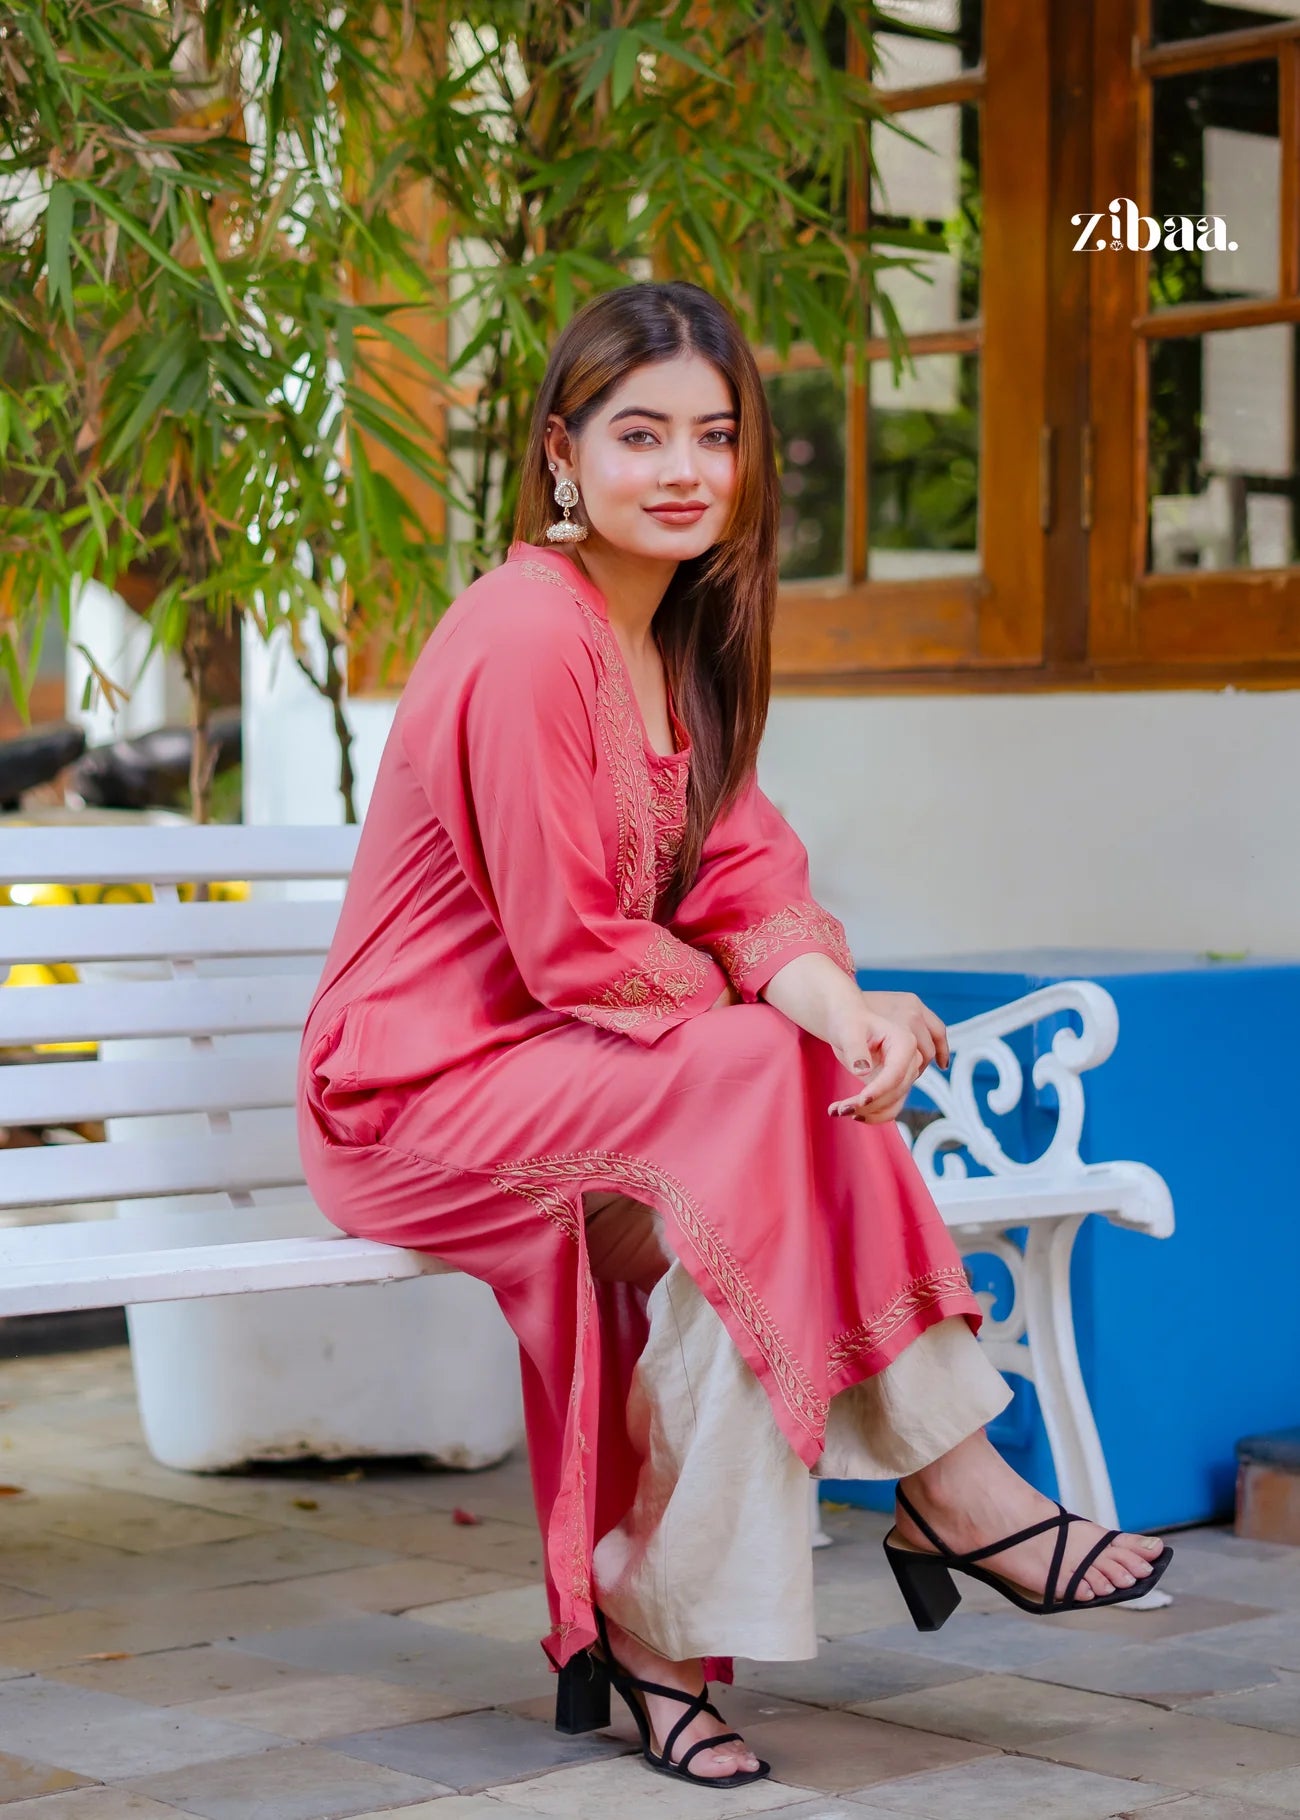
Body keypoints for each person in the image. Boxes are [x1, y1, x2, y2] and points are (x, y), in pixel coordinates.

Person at [297, 280, 1171, 1791]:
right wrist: (796, 1028)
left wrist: (840, 1011)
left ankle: (674, 1627)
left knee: (782, 1118)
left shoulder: (681, 639)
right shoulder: (525, 632)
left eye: (715, 435)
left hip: (603, 1077)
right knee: (768, 1078)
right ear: (562, 455)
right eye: (640, 435)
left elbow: (748, 880)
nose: (685, 469)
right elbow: (570, 945)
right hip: (418, 1089)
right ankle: (955, 1487)